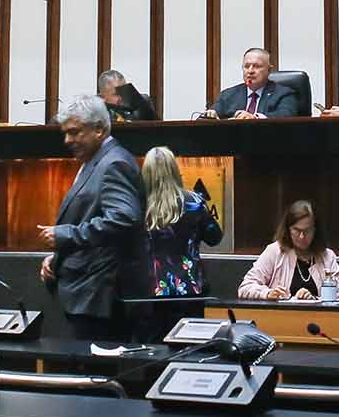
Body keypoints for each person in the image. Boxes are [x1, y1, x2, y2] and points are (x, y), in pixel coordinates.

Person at [33, 94, 147, 340]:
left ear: (98, 129)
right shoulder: (96, 161)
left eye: (74, 132)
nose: (67, 140)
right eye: (65, 133)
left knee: (93, 375)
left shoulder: (114, 163)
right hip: (87, 293)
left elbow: (124, 218)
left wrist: (65, 235)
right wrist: (58, 257)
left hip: (100, 298)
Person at [139, 145, 222, 338]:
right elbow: (215, 237)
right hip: (190, 289)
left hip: (149, 292)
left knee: (151, 353)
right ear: (175, 170)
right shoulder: (193, 202)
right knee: (188, 350)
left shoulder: (137, 204)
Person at [238, 200, 339, 301]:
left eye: (307, 231)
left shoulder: (327, 256)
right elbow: (245, 287)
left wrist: (313, 298)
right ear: (288, 229)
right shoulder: (274, 252)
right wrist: (268, 293)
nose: (302, 237)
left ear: (315, 230)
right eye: (297, 230)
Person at [212, 48, 303, 118]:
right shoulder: (228, 95)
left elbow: (286, 115)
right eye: (247, 66)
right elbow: (213, 112)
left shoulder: (284, 94)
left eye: (257, 66)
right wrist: (211, 114)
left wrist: (255, 118)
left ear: (269, 70)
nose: (250, 71)